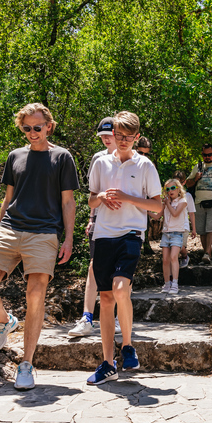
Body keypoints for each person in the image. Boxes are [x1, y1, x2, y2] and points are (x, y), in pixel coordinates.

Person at [0, 103, 79, 391]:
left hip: (44, 233)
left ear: (49, 126)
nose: (32, 133)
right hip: (10, 228)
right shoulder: (15, 156)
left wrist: (68, 238)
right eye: (27, 128)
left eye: (37, 127)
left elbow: (68, 201)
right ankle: (5, 321)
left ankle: (27, 364)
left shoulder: (62, 157)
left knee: (35, 294)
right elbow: (8, 197)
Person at [87, 111, 162, 385]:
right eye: (119, 136)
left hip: (131, 234)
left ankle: (128, 345)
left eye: (129, 137)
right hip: (103, 235)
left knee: (120, 290)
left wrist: (128, 197)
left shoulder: (145, 166)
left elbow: (157, 205)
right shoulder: (101, 163)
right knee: (105, 299)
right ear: (113, 134)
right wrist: (102, 197)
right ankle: (108, 363)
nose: (123, 141)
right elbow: (91, 201)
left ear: (137, 137)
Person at [69, 118, 120, 337]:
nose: (106, 140)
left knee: (121, 271)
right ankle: (87, 317)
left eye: (109, 135)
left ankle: (117, 316)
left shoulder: (133, 158)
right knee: (93, 266)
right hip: (101, 219)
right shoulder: (98, 158)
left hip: (125, 223)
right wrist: (91, 218)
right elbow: (93, 192)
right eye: (102, 137)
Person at [150, 179, 188, 294]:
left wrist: (167, 204)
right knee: (165, 259)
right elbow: (157, 216)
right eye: (167, 189)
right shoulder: (166, 202)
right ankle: (167, 284)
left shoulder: (182, 201)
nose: (170, 191)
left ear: (178, 189)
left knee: (173, 257)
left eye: (172, 188)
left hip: (177, 233)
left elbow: (175, 214)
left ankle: (175, 284)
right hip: (166, 234)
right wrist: (146, 211)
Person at [173, 170, 196, 268]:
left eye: (179, 183)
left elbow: (191, 213)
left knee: (180, 246)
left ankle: (185, 256)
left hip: (184, 226)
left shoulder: (188, 196)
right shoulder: (170, 196)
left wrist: (194, 229)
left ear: (184, 182)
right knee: (173, 246)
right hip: (172, 226)